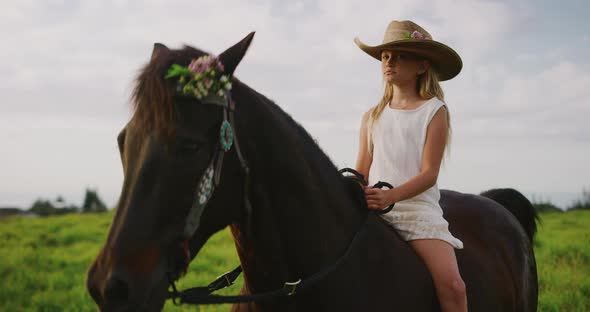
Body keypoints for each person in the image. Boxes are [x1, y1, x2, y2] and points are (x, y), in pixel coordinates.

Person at [353, 20, 468, 311]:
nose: (389, 62)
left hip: (417, 212)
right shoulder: (372, 116)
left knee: (454, 286)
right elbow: (362, 171)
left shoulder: (434, 111)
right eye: (385, 56)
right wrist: (354, 190)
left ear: (422, 66)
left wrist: (392, 196)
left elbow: (429, 174)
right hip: (376, 209)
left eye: (400, 55)